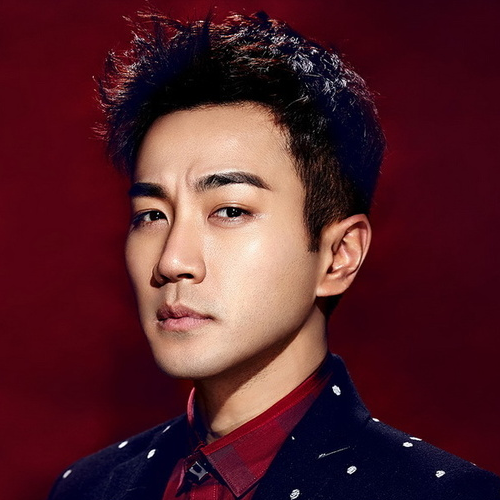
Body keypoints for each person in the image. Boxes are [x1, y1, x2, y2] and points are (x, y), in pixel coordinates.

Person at [48, 10, 500, 500]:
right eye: (152, 215)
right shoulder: (88, 487)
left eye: (230, 210)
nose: (172, 262)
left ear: (339, 255)